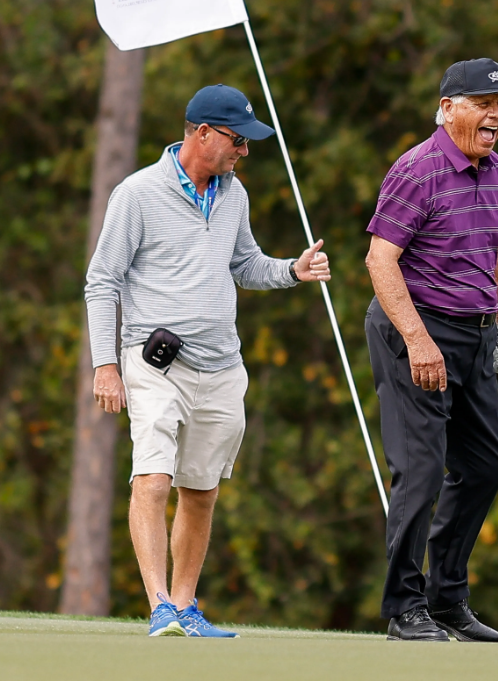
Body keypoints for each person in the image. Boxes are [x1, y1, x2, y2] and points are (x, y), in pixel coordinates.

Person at [85, 84, 331, 638]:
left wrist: (292, 270)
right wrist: (105, 364)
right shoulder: (137, 193)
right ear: (202, 133)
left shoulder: (233, 194)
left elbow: (244, 265)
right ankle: (159, 607)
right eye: (237, 141)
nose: (244, 152)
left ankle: (185, 603)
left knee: (201, 491)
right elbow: (103, 282)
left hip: (222, 367)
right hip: (156, 362)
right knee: (151, 479)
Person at [364, 58, 498, 642]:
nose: (496, 114)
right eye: (484, 103)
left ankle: (447, 599)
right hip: (414, 328)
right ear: (448, 107)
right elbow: (380, 260)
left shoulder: (495, 167)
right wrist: (418, 341)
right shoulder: (419, 168)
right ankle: (404, 607)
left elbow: (497, 249)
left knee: (486, 465)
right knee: (422, 470)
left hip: (473, 332)